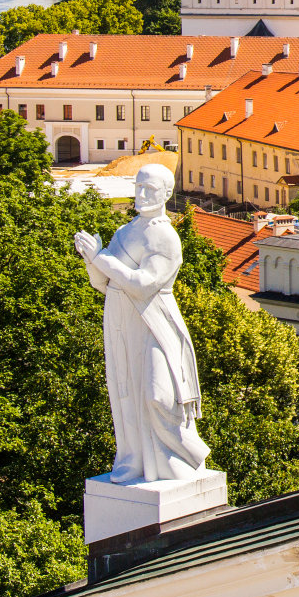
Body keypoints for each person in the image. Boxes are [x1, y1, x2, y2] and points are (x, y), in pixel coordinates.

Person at [74, 164, 210, 484]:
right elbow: (102, 282)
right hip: (120, 317)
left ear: (167, 193)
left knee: (158, 395)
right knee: (124, 390)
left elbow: (142, 285)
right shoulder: (124, 232)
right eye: (139, 187)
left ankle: (181, 455)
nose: (142, 194)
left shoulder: (166, 237)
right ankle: (133, 459)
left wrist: (100, 257)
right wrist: (90, 259)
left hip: (153, 319)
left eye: (150, 189)